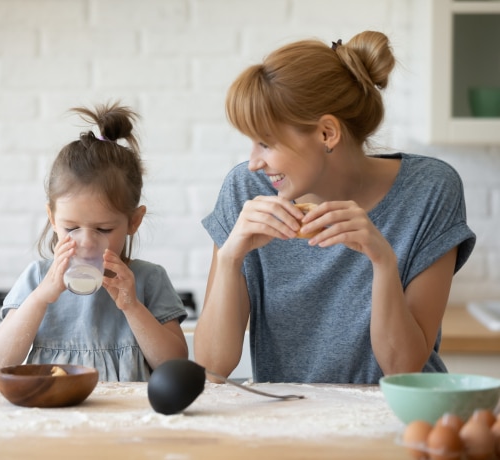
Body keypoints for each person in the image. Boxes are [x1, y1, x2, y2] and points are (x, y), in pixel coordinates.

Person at [193, 31, 476, 384]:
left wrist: (383, 261)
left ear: (327, 133)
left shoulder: (429, 190)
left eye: (266, 143)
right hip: (290, 420)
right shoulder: (246, 192)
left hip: (396, 415)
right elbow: (212, 365)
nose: (254, 163)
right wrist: (230, 258)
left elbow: (403, 369)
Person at [0, 102, 188, 381]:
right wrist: (41, 297)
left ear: (134, 221)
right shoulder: (37, 278)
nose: (86, 242)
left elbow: (174, 366)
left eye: (104, 229)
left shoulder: (148, 280)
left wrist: (133, 307)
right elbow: (1, 361)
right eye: (71, 227)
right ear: (52, 218)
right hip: (55, 415)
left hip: (129, 418)